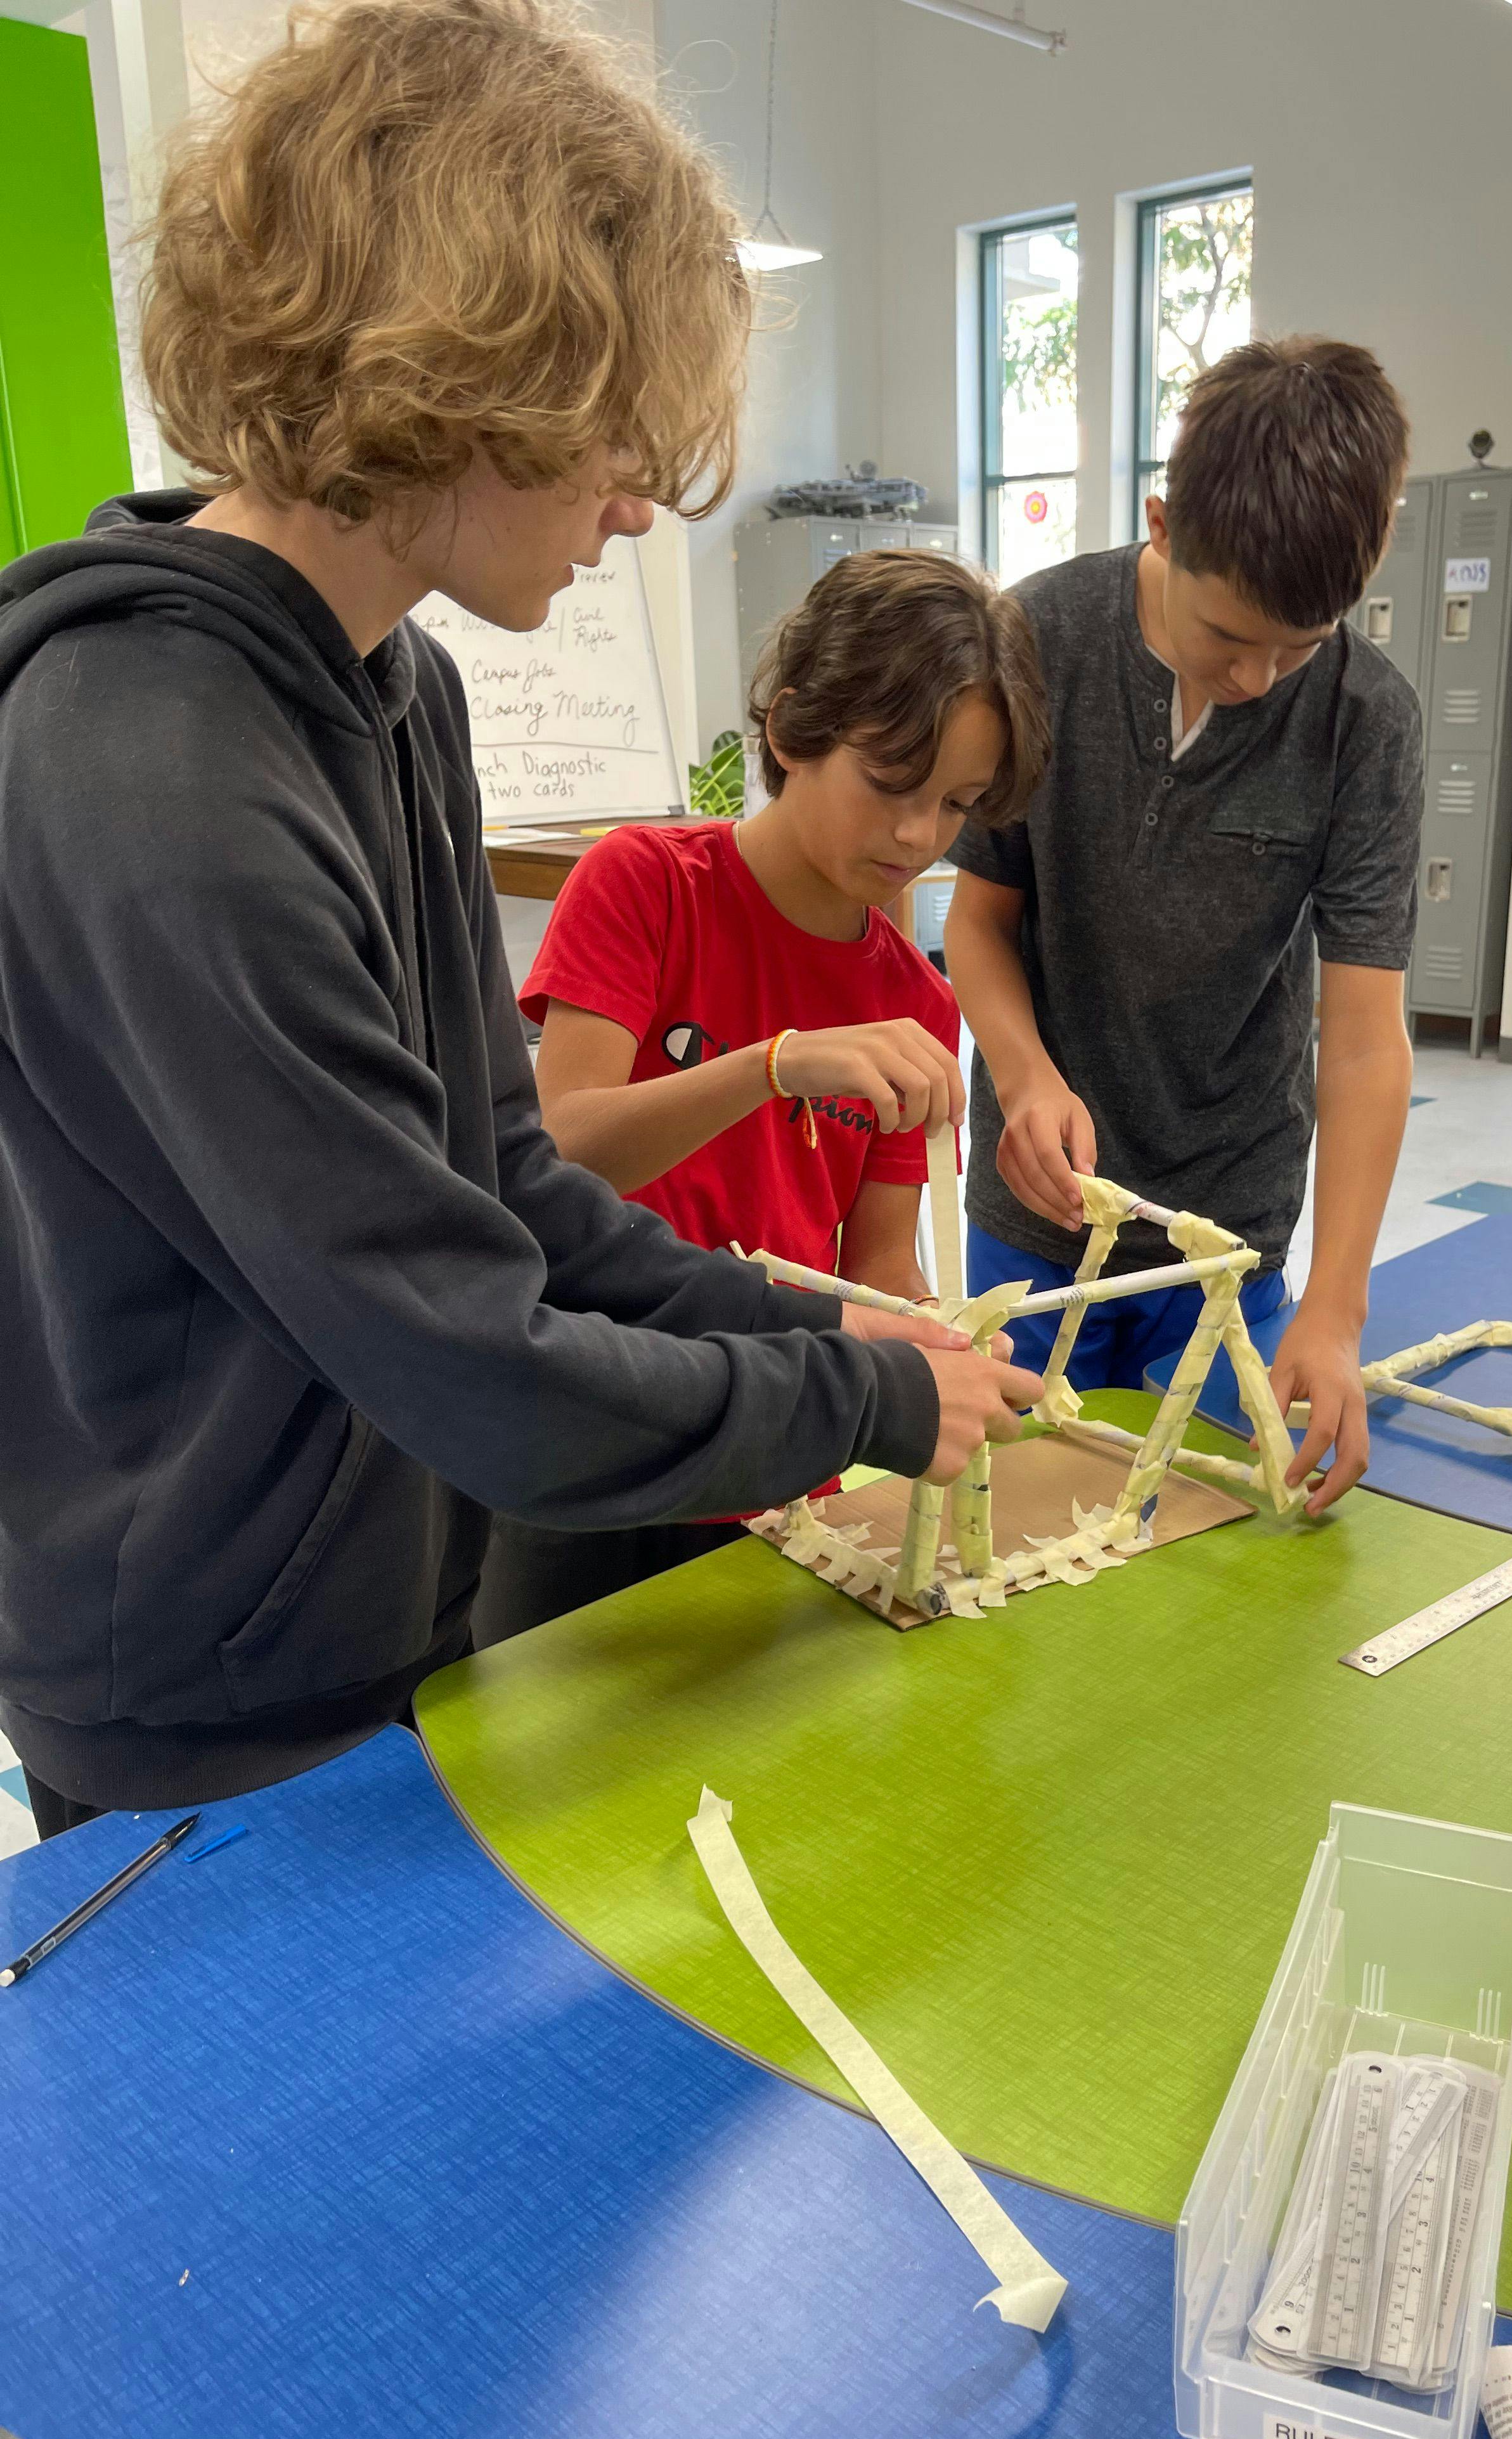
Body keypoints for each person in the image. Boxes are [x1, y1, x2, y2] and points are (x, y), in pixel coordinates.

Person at [0, 0, 1036, 1836]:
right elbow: (463, 1350)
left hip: (393, 1602)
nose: (638, 507)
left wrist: (832, 1338)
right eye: (604, 440)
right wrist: (845, 1405)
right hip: (193, 1684)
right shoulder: (152, 776)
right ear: (448, 379)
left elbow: (507, 1176)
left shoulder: (395, 687)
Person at [472, 548, 1048, 1642]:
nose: (920, 837)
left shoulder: (913, 1002)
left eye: (957, 806)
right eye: (891, 785)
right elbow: (555, 1159)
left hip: (777, 1445)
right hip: (593, 1424)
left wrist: (932, 1342)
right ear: (790, 731)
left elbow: (879, 1261)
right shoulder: (643, 884)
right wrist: (773, 1064)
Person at [945, 336, 1420, 1517]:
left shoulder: (1368, 722)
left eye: (1298, 648)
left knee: (1203, 1558)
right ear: (1162, 521)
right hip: (1039, 1204)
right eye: (1230, 638)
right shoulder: (1039, 643)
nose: (1261, 678)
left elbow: (1363, 1038)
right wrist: (1025, 1071)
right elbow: (980, 920)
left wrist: (1337, 1308)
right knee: (1022, 1537)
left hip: (1230, 1223)